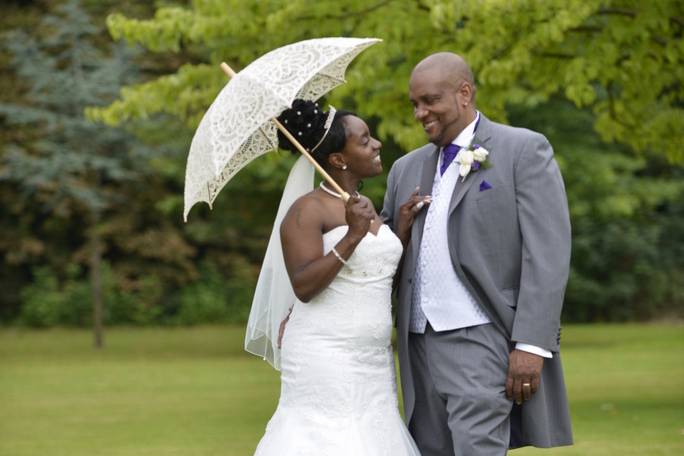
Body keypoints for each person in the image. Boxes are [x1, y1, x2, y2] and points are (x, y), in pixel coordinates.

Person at [381, 52, 573, 455]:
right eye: (414, 104)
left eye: (430, 100)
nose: (420, 113)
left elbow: (547, 253)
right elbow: (382, 258)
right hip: (417, 344)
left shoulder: (522, 150)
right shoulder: (404, 169)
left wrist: (532, 344)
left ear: (464, 93)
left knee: (477, 448)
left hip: (481, 335)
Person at [247, 99, 427, 455]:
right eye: (364, 140)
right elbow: (304, 285)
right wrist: (353, 235)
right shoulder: (307, 210)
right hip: (325, 354)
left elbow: (372, 277)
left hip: (373, 359)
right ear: (338, 159)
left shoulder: (361, 205)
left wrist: (400, 232)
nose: (376, 144)